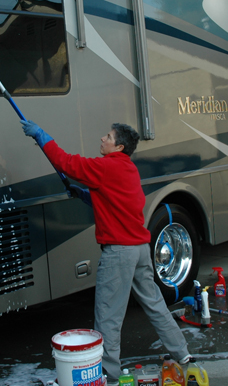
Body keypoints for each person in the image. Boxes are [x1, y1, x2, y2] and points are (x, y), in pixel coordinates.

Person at [21, 120, 193, 384]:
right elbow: (116, 199)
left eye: (108, 136)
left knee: (108, 317)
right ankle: (183, 355)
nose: (102, 138)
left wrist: (42, 137)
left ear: (119, 146)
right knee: (155, 305)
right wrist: (84, 195)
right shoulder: (128, 169)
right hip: (139, 251)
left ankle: (109, 376)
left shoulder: (106, 166)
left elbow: (68, 163)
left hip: (119, 254)